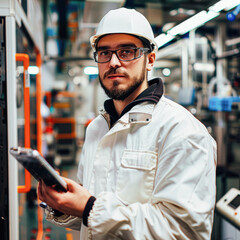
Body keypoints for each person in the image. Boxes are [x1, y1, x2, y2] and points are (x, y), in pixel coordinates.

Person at [38, 7, 217, 240]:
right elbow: (91, 218)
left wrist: (90, 208)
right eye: (104, 53)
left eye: (126, 52)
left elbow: (183, 232)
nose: (113, 62)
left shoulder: (182, 131)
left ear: (150, 60)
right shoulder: (97, 128)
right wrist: (64, 204)